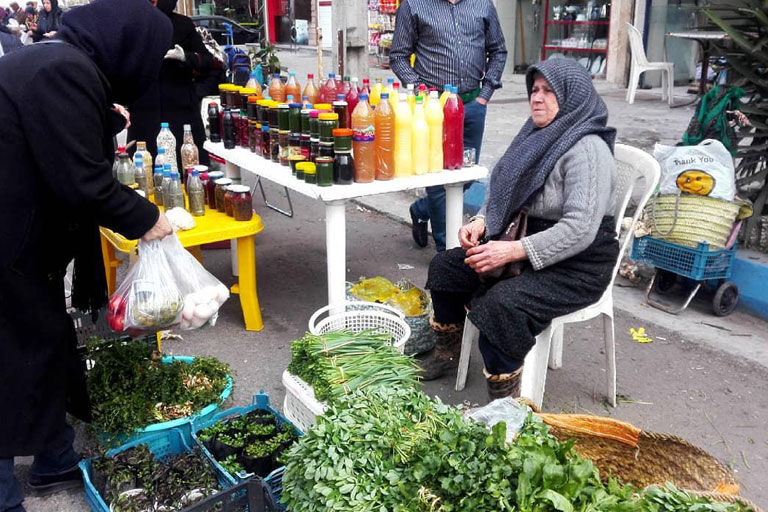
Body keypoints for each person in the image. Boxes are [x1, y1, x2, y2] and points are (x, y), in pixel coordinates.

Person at [0, 0, 173, 510]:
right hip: (10, 240)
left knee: (45, 342)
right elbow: (81, 180)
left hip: (23, 238)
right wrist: (146, 219)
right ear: (130, 45)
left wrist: (100, 120)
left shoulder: (61, 61)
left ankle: (55, 458)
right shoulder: (63, 70)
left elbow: (55, 146)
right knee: (10, 358)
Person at [418, 59, 619, 400]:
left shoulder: (588, 150)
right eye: (534, 90)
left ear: (572, 96)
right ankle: (446, 352)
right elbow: (503, 192)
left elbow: (580, 229)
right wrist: (480, 221)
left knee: (503, 305)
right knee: (447, 267)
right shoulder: (536, 134)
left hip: (577, 263)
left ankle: (504, 400)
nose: (537, 99)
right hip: (521, 239)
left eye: (548, 91)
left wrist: (510, 250)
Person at [390, 0, 507, 252]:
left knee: (465, 174)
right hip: (434, 107)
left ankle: (421, 209)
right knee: (437, 176)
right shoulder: (414, 5)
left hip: (472, 104)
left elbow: (498, 50)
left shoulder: (482, 5)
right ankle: (446, 251)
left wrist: (485, 94)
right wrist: (422, 94)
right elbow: (398, 56)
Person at [128, 0, 222, 167]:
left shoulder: (182, 24)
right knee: (146, 172)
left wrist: (186, 57)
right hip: (144, 113)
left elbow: (210, 62)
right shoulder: (131, 26)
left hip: (181, 111)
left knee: (188, 168)